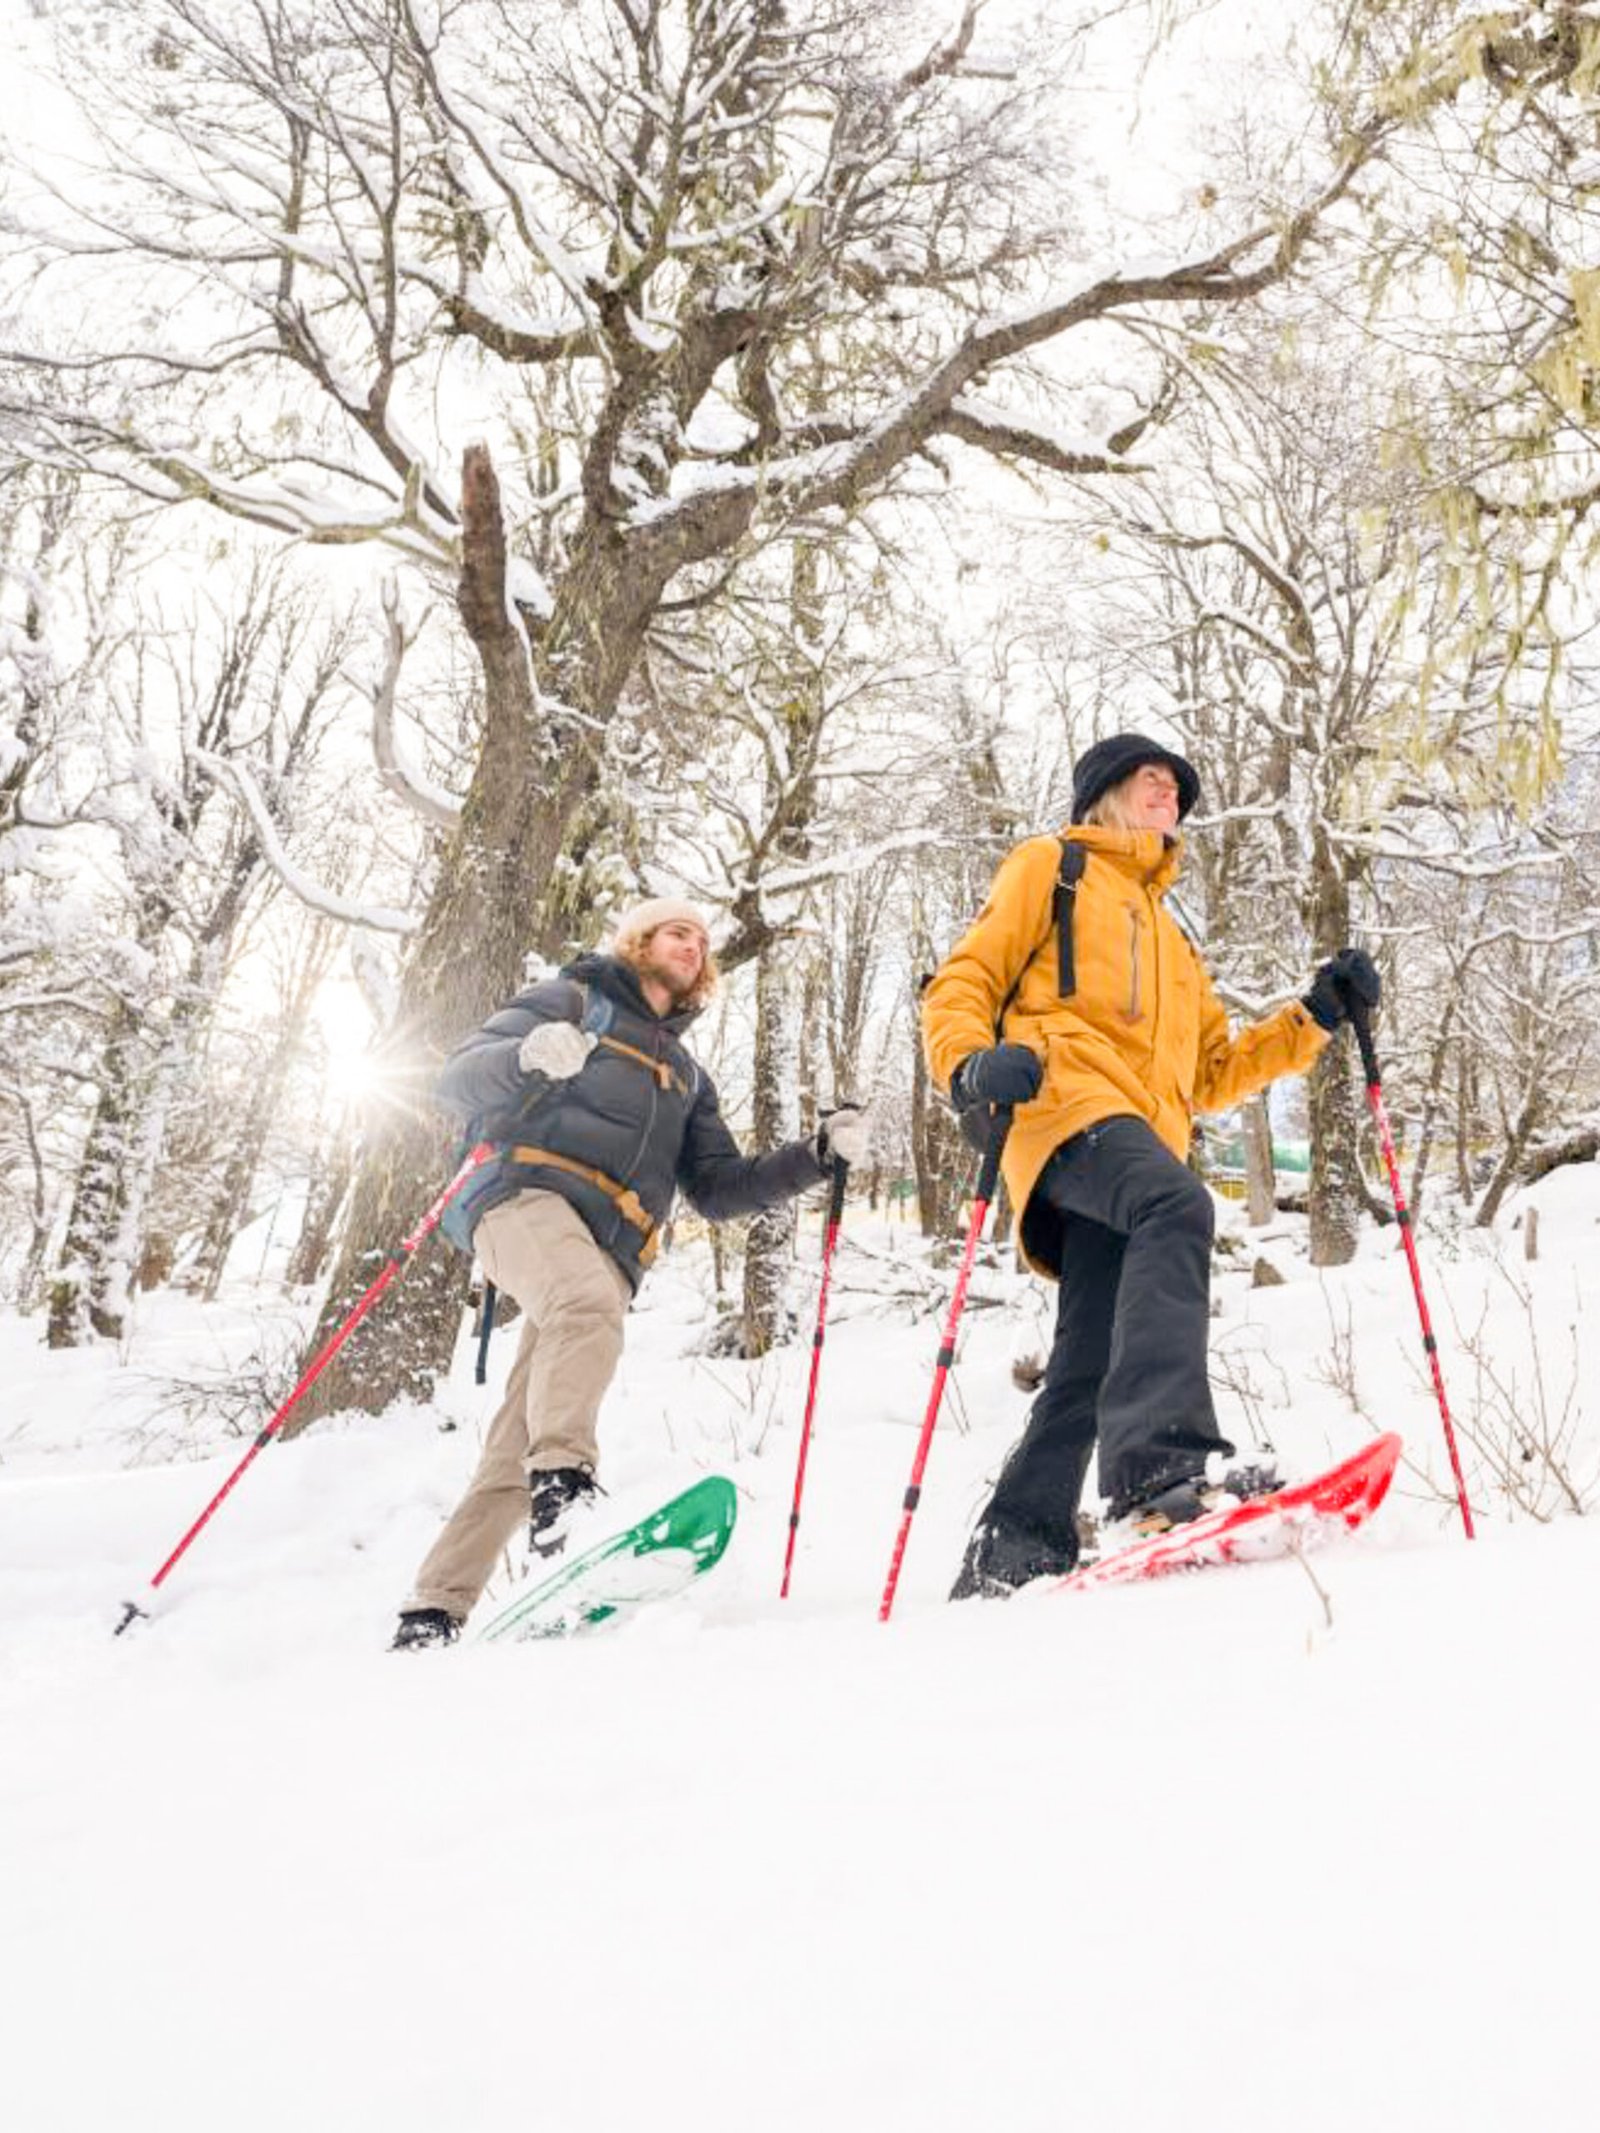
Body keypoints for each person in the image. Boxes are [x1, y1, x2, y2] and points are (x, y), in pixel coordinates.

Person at [921, 733, 1379, 1599]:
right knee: (1180, 1205)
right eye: (1149, 778)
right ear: (1104, 793)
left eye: (1176, 786)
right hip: (1063, 1104)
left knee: (1089, 1354)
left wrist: (1314, 1016)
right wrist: (968, 1066)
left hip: (1138, 1138)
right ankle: (1156, 1476)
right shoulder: (1050, 866)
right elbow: (963, 980)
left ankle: (1014, 1549)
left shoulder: (1175, 940)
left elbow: (1213, 1073)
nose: (1168, 791)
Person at [392, 897, 870, 1648]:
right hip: (520, 1198)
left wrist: (814, 1157)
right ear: (639, 940)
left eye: (702, 939)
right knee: (583, 1309)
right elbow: (456, 1079)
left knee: (519, 1438)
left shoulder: (685, 1075)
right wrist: (526, 1056)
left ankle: (431, 1611)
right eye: (677, 930)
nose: (692, 944)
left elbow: (718, 1188)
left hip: (607, 1248)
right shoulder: (572, 1002)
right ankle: (568, 1494)